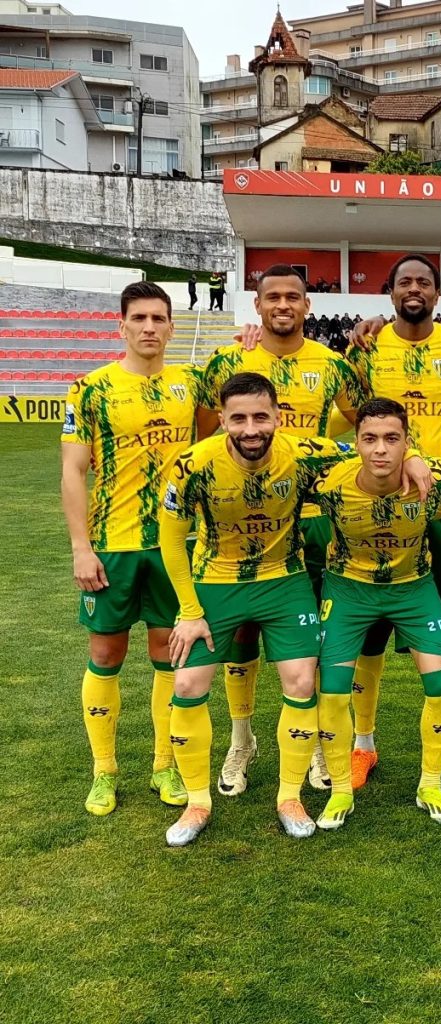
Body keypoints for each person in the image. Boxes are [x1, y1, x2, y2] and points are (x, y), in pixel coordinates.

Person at [158, 373, 360, 846]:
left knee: (302, 682)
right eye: (239, 419)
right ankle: (197, 803)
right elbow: (170, 538)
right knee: (186, 684)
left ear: (277, 417)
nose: (251, 429)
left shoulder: (305, 453)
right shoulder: (191, 465)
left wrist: (412, 459)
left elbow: (371, 451)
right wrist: (189, 610)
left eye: (260, 417)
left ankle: (290, 797)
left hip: (284, 581)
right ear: (222, 419)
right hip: (215, 582)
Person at [200, 265, 370, 798]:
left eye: (292, 296)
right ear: (256, 305)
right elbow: (201, 434)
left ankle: (315, 742)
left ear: (306, 305)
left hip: (314, 520)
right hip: (241, 523)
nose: (282, 304)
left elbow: (363, 423)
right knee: (241, 636)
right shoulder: (230, 360)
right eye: (271, 296)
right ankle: (242, 740)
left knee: (313, 639)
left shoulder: (333, 364)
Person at [342, 254, 441, 789]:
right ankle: (362, 745)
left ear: (437, 293)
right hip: (380, 499)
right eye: (404, 281)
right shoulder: (367, 346)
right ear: (390, 292)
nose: (414, 289)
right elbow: (346, 413)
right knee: (369, 633)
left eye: (424, 282)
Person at [61, 282, 202, 818]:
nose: (149, 327)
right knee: (105, 654)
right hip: (112, 543)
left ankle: (165, 765)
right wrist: (81, 547)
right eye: (139, 318)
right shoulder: (90, 389)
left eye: (158, 318)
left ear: (171, 327)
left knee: (169, 651)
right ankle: (104, 770)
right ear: (121, 325)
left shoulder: (191, 385)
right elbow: (73, 470)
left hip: (175, 544)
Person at [308, 398, 441, 827]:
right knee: (332, 691)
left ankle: (430, 784)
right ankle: (340, 790)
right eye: (370, 439)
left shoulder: (434, 478)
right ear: (356, 442)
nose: (380, 449)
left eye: (392, 439)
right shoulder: (328, 481)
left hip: (414, 588)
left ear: (407, 442)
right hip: (348, 589)